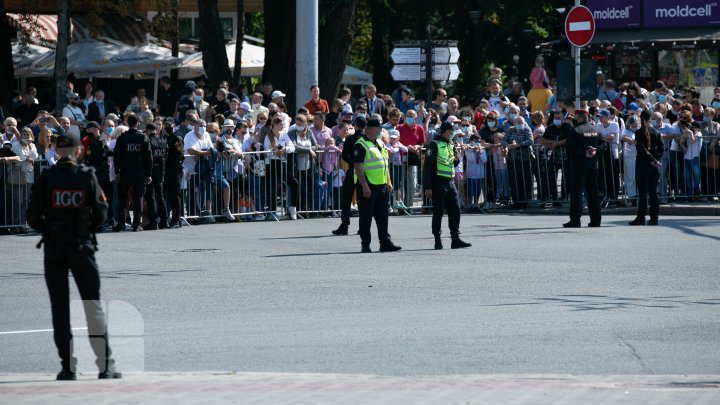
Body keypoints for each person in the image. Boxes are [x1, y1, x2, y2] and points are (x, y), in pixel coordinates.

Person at [26, 132, 122, 381]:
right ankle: (104, 365)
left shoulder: (47, 177)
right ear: (79, 151)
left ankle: (67, 367)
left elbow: (32, 216)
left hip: (55, 248)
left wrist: (50, 227)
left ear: (56, 150)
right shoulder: (86, 175)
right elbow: (101, 212)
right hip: (81, 246)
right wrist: (85, 228)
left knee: (60, 308)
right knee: (92, 305)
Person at [423, 121, 472, 250]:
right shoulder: (434, 144)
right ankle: (437, 240)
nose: (452, 134)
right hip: (438, 182)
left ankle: (455, 239)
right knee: (438, 212)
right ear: (444, 131)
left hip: (450, 182)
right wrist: (428, 187)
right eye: (450, 132)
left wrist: (457, 158)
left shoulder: (451, 144)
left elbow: (453, 164)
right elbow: (427, 167)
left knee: (455, 210)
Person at [354, 118, 401, 253]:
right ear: (369, 129)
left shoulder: (380, 143)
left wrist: (389, 181)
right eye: (378, 128)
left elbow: (385, 164)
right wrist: (365, 186)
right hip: (368, 185)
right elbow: (358, 167)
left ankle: (385, 243)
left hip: (381, 186)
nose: (380, 130)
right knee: (366, 216)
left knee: (382, 216)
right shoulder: (360, 144)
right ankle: (365, 244)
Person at [564, 109, 606, 228]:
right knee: (593, 193)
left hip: (578, 166)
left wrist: (584, 153)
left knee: (576, 193)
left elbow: (570, 147)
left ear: (581, 117)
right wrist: (594, 151)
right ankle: (596, 220)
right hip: (593, 166)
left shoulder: (575, 130)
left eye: (576, 117)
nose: (574, 119)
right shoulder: (596, 130)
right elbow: (603, 146)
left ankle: (575, 220)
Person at [112, 115, 152, 232]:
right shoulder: (143, 138)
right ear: (138, 123)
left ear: (127, 123)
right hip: (139, 171)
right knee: (138, 197)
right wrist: (148, 174)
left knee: (122, 197)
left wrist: (117, 172)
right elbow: (148, 157)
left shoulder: (122, 138)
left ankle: (120, 224)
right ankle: (136, 225)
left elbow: (117, 156)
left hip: (125, 171)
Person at [630, 110, 664, 225]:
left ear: (641, 118)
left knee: (643, 193)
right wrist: (655, 160)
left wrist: (652, 160)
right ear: (650, 118)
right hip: (653, 166)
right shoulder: (656, 131)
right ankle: (654, 218)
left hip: (643, 165)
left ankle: (641, 218)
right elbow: (661, 148)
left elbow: (641, 149)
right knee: (653, 193)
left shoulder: (639, 132)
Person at [332, 115, 363, 235]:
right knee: (363, 200)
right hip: (365, 172)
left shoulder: (350, 139)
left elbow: (345, 155)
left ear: (355, 126)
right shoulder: (367, 139)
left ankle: (344, 226)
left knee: (346, 199)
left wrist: (354, 163)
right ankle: (362, 227)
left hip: (353, 171)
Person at [144, 123, 169, 230]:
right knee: (160, 197)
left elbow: (147, 158)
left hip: (151, 171)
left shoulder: (148, 141)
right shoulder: (163, 141)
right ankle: (165, 221)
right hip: (161, 171)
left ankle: (153, 222)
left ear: (148, 131)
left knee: (150, 197)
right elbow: (165, 155)